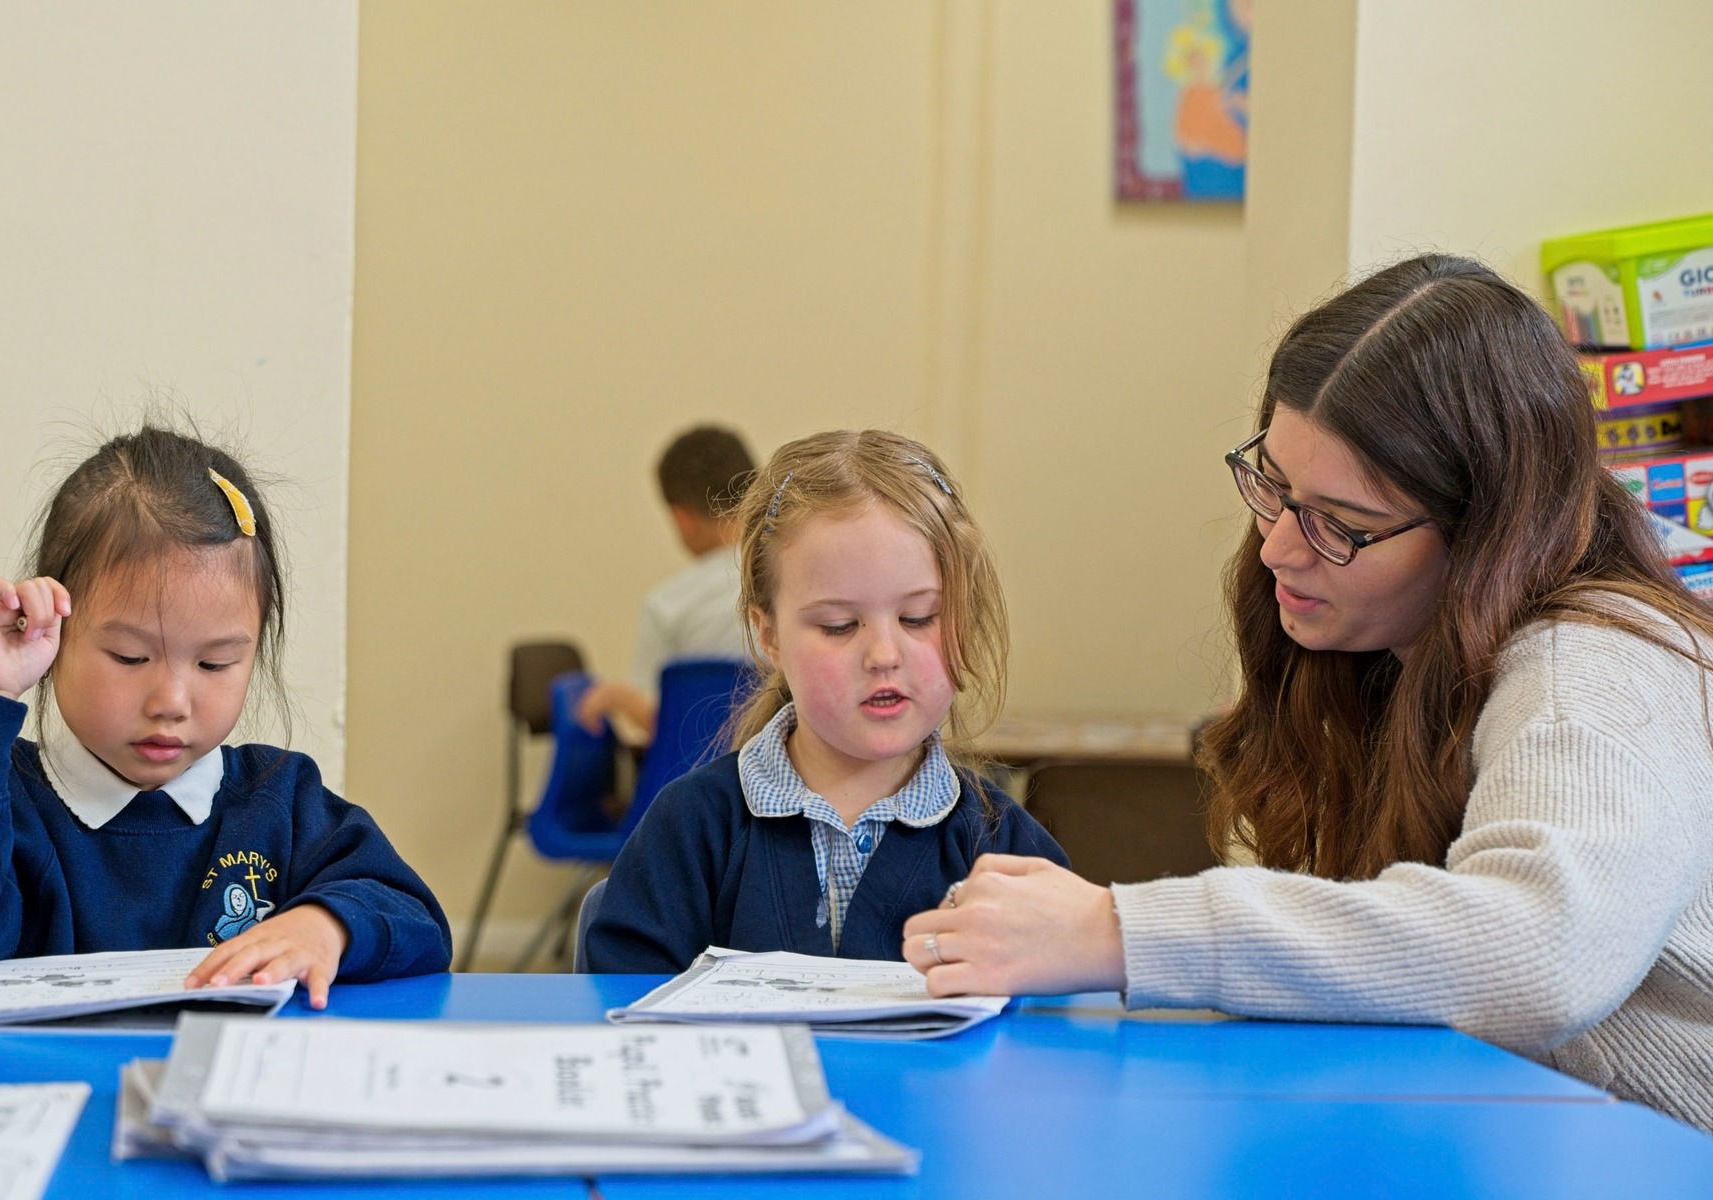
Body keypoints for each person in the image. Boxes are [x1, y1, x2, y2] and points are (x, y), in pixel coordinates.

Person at [902, 253, 1713, 1132]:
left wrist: (1118, 930)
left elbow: (1541, 948)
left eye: (1343, 526)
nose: (1277, 548)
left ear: (1486, 533)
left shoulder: (1589, 666)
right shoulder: (1389, 648)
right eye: (1275, 489)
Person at [0, 424, 449, 1007]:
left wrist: (326, 927)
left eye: (215, 664)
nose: (171, 702)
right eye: (130, 657)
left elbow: (415, 918)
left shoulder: (279, 800)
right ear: (54, 634)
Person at [586, 430, 1068, 973]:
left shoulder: (1005, 851)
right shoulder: (690, 830)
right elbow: (620, 1018)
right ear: (768, 636)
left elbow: (1056, 1034)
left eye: (919, 618)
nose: (884, 654)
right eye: (839, 626)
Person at [575, 425, 755, 740]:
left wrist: (619, 698)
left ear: (682, 518)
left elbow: (662, 723)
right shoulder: (798, 580)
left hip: (699, 782)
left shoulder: (666, 606)